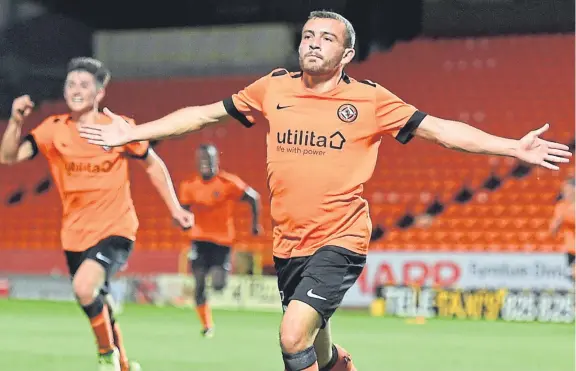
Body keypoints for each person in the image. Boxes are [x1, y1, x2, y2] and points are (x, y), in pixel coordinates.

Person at [78, 10, 572, 371]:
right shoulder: (273, 88)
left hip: (341, 238)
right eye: (308, 35)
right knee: (319, 350)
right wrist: (132, 132)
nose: (313, 43)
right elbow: (203, 113)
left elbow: (441, 129)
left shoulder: (369, 98)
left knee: (291, 335)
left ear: (347, 54)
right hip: (290, 243)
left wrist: (512, 147)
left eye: (326, 38)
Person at [0, 57, 194, 371]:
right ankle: (124, 364)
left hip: (117, 228)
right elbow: (8, 158)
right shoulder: (52, 130)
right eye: (71, 84)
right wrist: (15, 121)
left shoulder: (117, 128)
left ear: (99, 93)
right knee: (95, 300)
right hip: (75, 234)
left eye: (84, 85)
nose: (76, 90)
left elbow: (153, 164)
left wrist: (175, 208)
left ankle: (106, 356)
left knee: (83, 287)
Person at [179, 143, 262, 337]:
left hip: (222, 242)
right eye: (201, 159)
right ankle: (207, 325)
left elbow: (254, 198)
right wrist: (182, 221)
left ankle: (218, 278)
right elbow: (183, 210)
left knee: (218, 284)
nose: (204, 163)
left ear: (216, 160)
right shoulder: (189, 185)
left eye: (208, 159)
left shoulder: (227, 183)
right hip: (199, 240)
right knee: (198, 283)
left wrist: (255, 224)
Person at [550, 177, 575, 281]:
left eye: (568, 190)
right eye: (564, 191)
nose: (566, 193)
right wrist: (557, 223)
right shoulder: (561, 206)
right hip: (571, 250)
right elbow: (552, 231)